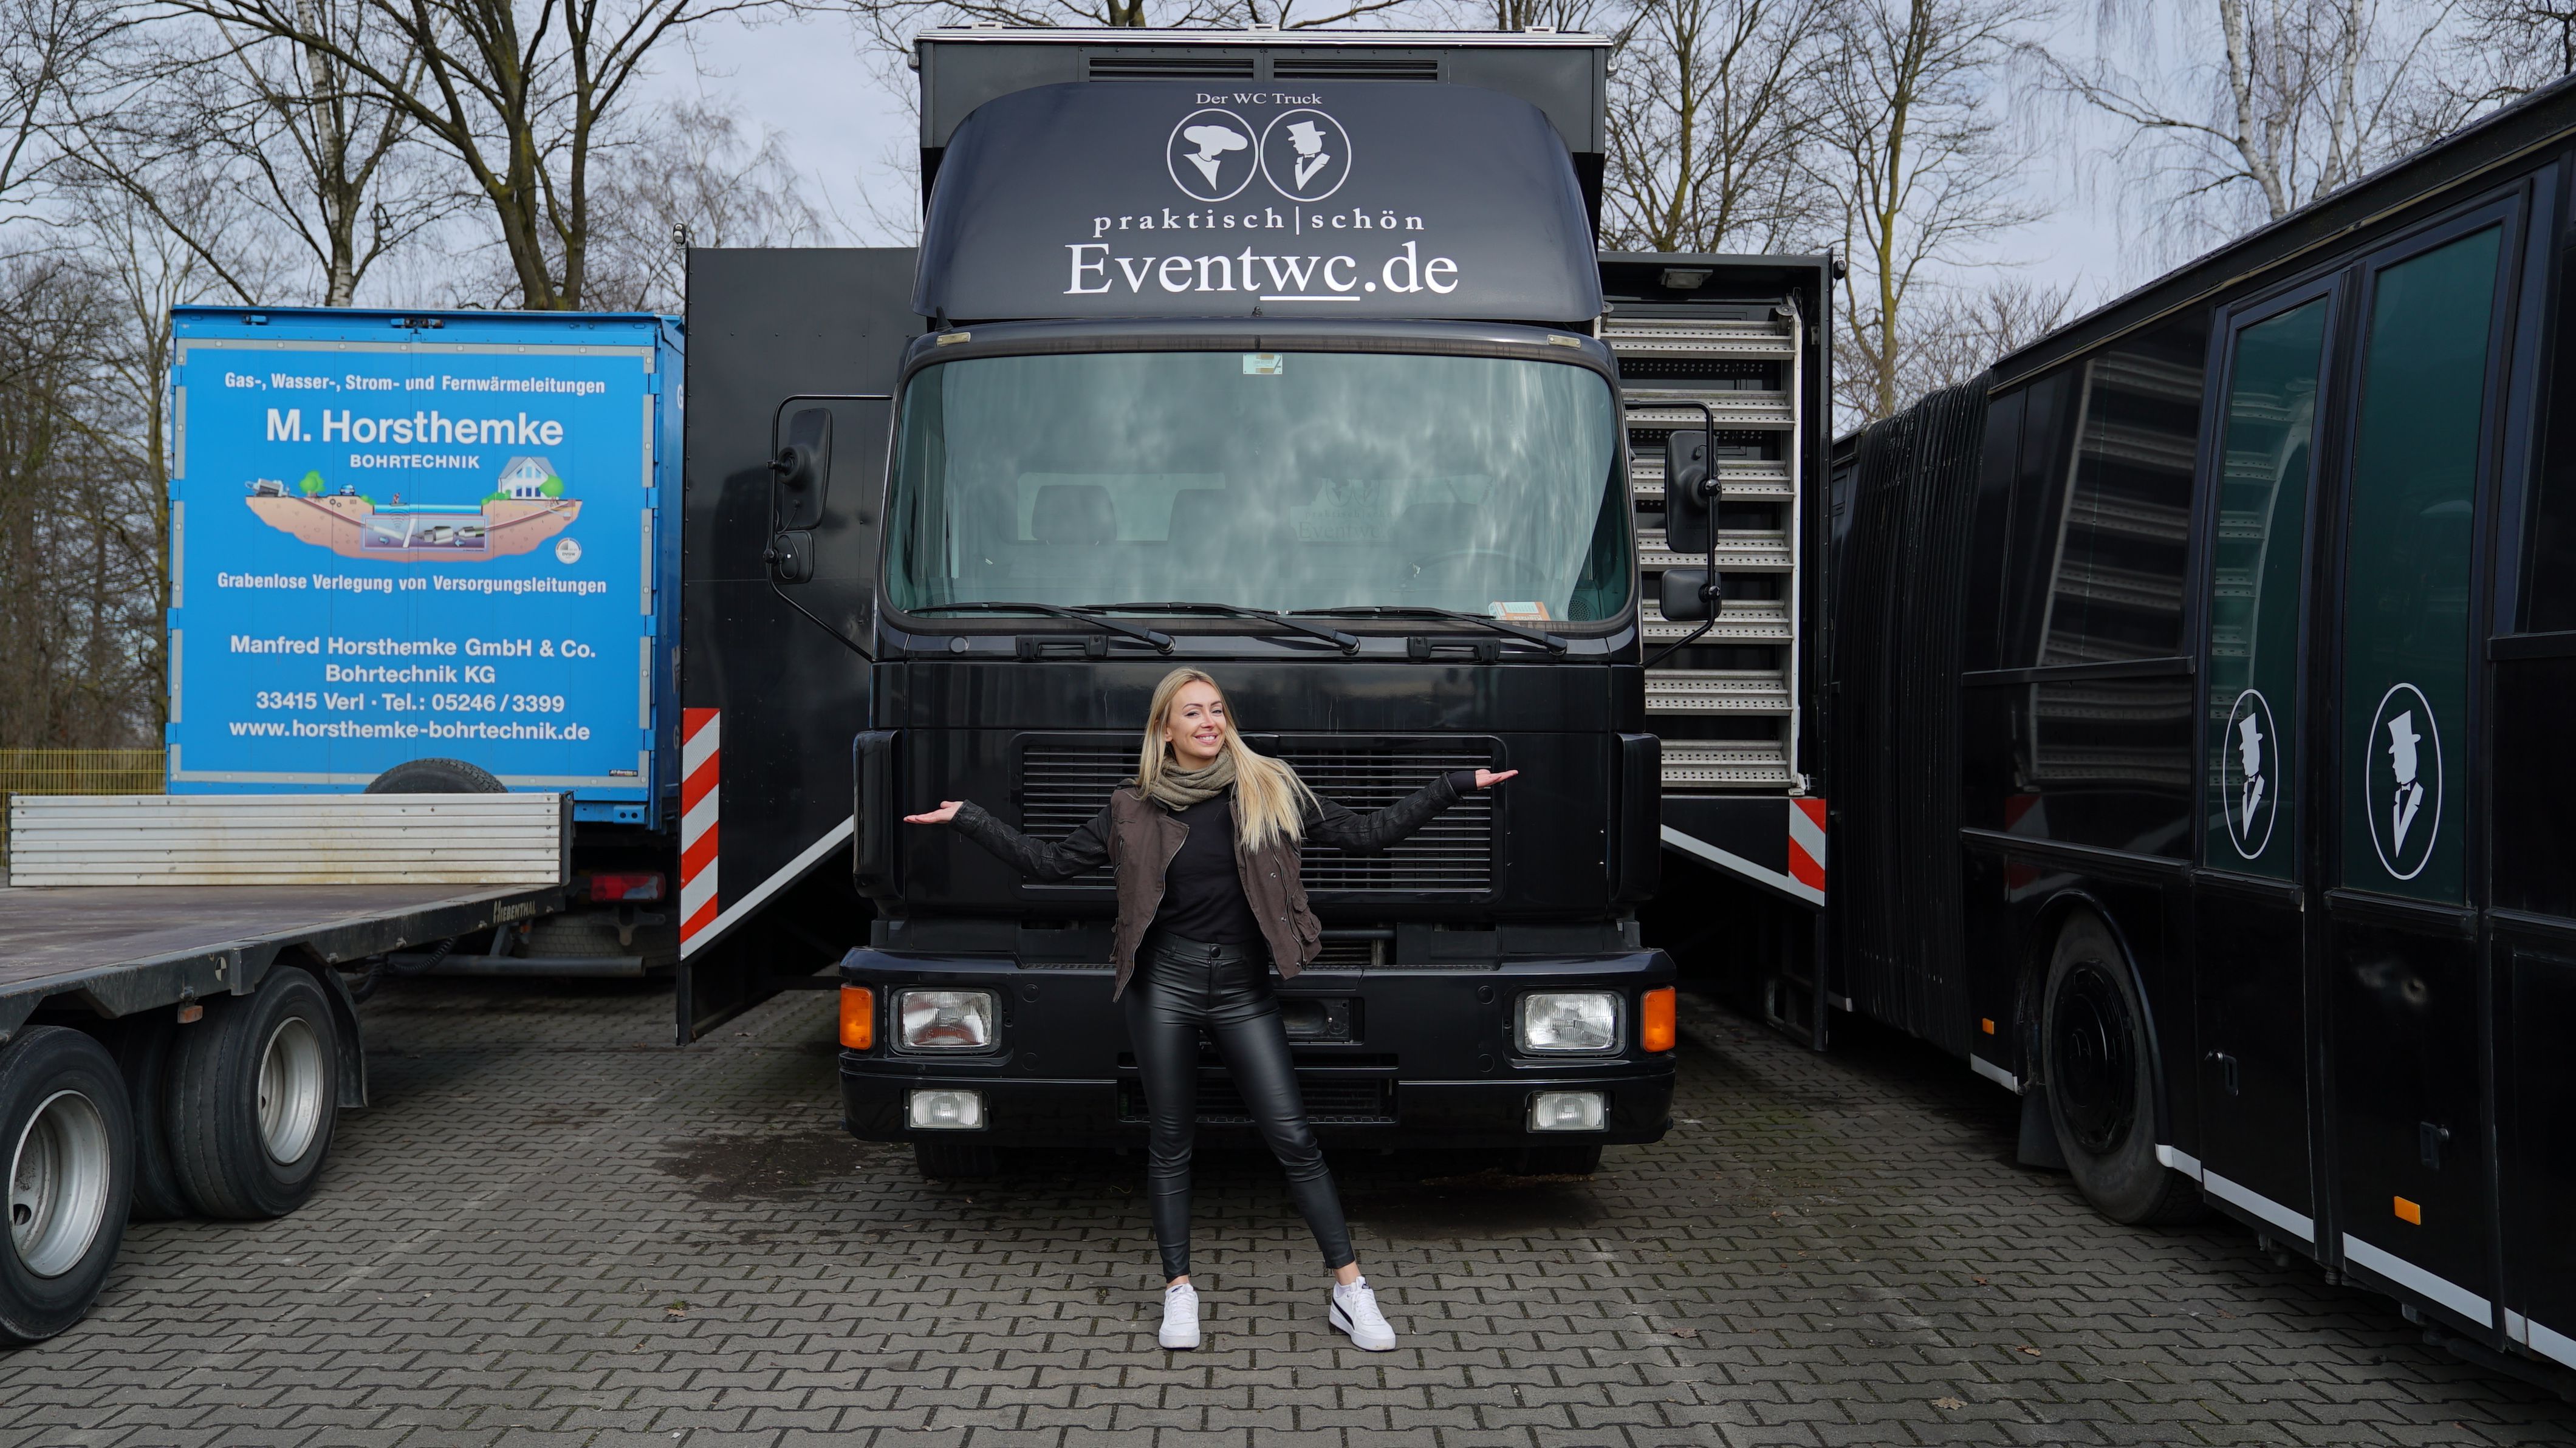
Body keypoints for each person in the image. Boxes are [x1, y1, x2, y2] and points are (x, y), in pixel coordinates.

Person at [905, 666, 1517, 1353]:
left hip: (1243, 989)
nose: (1208, 722)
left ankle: (1350, 1289)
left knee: (1294, 1137)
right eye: (1192, 712)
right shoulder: (1130, 806)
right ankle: (1179, 1290)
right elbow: (1047, 862)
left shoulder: (1268, 787)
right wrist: (970, 819)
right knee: (1170, 1141)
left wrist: (1453, 787)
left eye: (1217, 710)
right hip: (1161, 985)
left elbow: (1366, 834)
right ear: (1164, 727)